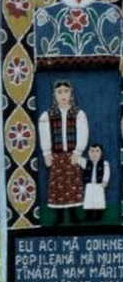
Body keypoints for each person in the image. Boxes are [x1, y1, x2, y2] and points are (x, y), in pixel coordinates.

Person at [38, 80, 88, 225]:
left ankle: (73, 214)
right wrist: (46, 153)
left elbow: (83, 133)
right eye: (59, 92)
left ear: (71, 93)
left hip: (72, 155)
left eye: (66, 91)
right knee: (57, 186)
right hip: (56, 156)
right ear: (54, 95)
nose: (63, 95)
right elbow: (45, 134)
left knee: (73, 184)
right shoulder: (47, 115)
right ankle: (59, 215)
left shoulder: (78, 113)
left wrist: (78, 151)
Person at [81, 143, 109, 222]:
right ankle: (88, 215)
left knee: (99, 200)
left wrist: (105, 181)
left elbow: (107, 172)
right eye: (92, 151)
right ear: (89, 153)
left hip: (99, 184)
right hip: (89, 184)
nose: (94, 153)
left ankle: (98, 216)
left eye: (97, 151)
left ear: (101, 153)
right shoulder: (86, 162)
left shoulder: (104, 163)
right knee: (88, 200)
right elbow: (78, 160)